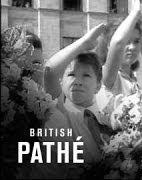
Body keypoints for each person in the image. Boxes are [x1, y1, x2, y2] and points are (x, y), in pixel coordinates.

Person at [35, 23, 120, 178]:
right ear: (61, 82)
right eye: (71, 75)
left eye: (86, 75)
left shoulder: (108, 114)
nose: (77, 81)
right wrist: (84, 43)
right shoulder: (60, 111)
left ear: (98, 85)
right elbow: (50, 72)